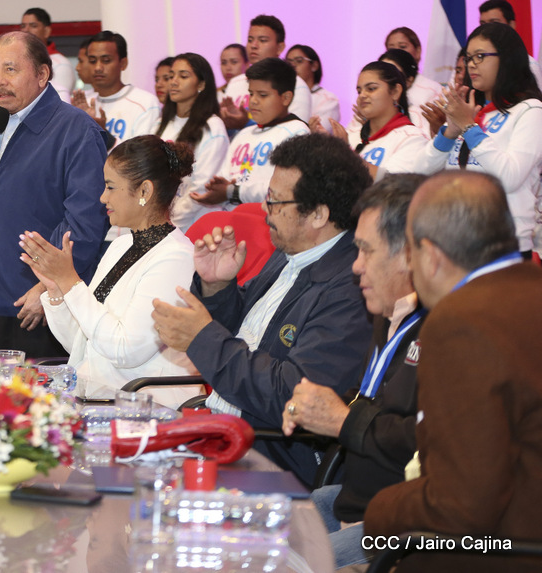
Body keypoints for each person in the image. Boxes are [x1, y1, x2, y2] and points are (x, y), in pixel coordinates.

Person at [151, 133, 373, 486]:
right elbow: (243, 333)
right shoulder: (290, 253)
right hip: (220, 429)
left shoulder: (351, 289)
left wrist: (201, 338)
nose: (265, 210)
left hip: (269, 456)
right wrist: (217, 288)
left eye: (276, 201)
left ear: (318, 214)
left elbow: (291, 396)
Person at [365, 171, 542, 572]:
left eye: (409, 252)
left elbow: (459, 506)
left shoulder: (460, 322)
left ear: (429, 255)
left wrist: (379, 514)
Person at [282, 174, 426, 568]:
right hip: (352, 498)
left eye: (365, 251)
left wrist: (343, 419)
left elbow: (427, 444)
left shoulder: (450, 330)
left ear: (409, 253)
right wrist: (316, 410)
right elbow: (375, 402)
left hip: (401, 526)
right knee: (250, 537)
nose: (355, 267)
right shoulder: (386, 311)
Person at [0, 31, 109, 357]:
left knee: (31, 392)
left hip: (36, 305)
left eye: (10, 69)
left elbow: (86, 222)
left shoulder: (75, 130)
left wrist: (49, 287)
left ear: (42, 74)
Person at [21, 136, 196, 405]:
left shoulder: (176, 257)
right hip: (98, 397)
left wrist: (70, 282)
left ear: (144, 191)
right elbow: (81, 344)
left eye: (110, 187)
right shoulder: (121, 245)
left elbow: (126, 351)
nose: (103, 197)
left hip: (145, 406)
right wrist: (57, 289)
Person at [412, 23, 542, 256]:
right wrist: (449, 132)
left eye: (480, 56)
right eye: (469, 58)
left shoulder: (530, 110)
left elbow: (509, 177)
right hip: (456, 240)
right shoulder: (472, 111)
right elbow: (420, 171)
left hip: (503, 246)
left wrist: (469, 127)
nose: (471, 64)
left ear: (507, 59)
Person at [200, 58, 309, 207]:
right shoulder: (243, 134)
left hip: (267, 218)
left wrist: (232, 191)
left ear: (286, 98)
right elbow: (226, 175)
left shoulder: (297, 132)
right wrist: (217, 186)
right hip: (230, 216)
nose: (253, 101)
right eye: (251, 94)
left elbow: (285, 188)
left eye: (262, 95)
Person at [154, 53, 229, 231]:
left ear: (201, 84)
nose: (173, 82)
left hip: (193, 226)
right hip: (160, 222)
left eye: (183, 76)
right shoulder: (160, 124)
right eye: (171, 76)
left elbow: (202, 187)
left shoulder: (212, 127)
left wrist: (168, 224)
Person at [315, 61, 426, 178]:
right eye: (359, 91)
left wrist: (346, 152)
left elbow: (392, 183)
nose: (362, 95)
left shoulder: (412, 138)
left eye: (371, 89)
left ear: (395, 92)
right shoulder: (351, 134)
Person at [221, 15, 312, 130]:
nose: (253, 45)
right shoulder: (235, 82)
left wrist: (246, 123)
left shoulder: (296, 84)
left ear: (280, 47)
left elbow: (293, 131)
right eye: (250, 40)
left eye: (262, 40)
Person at [73, 31, 161, 151]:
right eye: (92, 61)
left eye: (106, 60)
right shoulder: (84, 104)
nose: (98, 68)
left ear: (123, 63)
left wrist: (105, 136)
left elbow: (142, 156)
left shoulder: (144, 103)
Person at [384, 28, 444, 137]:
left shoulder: (433, 89)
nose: (397, 52)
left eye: (403, 47)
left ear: (418, 51)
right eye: (391, 48)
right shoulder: (380, 88)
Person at [479, 0, 542, 89]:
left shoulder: (529, 66)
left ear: (512, 25)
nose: (487, 29)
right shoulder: (477, 63)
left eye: (494, 22)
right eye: (483, 24)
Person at [20, 8, 75, 103]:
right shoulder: (18, 60)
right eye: (23, 26)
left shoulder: (60, 64)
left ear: (46, 31)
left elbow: (58, 102)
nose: (26, 30)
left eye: (33, 26)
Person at [286, 45, 338, 132]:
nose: (293, 66)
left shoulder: (328, 99)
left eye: (299, 61)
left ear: (314, 65)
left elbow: (321, 131)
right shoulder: (282, 94)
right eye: (288, 63)